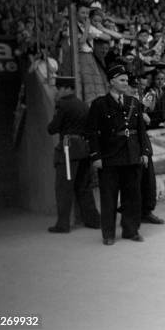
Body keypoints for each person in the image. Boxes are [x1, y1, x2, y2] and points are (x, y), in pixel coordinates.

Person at [86, 64, 152, 245]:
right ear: (111, 82)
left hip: (132, 155)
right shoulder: (99, 104)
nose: (125, 83)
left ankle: (131, 230)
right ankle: (108, 233)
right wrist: (96, 156)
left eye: (126, 80)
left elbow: (140, 130)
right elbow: (92, 132)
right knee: (109, 197)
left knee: (132, 196)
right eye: (121, 80)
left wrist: (145, 152)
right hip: (110, 157)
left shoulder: (133, 102)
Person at [47, 76, 100, 233]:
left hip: (68, 149)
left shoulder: (62, 105)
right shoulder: (83, 105)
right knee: (84, 187)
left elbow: (53, 128)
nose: (57, 92)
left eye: (59, 88)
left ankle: (63, 224)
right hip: (84, 149)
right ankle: (93, 220)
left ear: (66, 89)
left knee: (64, 188)